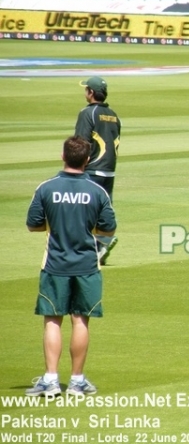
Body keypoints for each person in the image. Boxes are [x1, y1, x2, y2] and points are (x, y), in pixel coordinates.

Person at [25, 136, 117, 397]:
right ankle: (77, 382)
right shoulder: (97, 191)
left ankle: (51, 380)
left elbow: (33, 224)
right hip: (87, 265)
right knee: (80, 320)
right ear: (87, 160)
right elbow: (108, 228)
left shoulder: (46, 188)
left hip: (55, 264)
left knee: (53, 320)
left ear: (63, 155)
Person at [76, 76, 121, 264]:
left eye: (86, 89)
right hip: (109, 171)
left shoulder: (88, 113)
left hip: (91, 169)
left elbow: (81, 143)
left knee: (81, 211)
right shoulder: (113, 115)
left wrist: (76, 167)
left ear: (91, 93)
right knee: (102, 210)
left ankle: (94, 248)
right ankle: (101, 244)